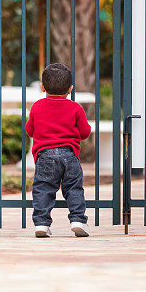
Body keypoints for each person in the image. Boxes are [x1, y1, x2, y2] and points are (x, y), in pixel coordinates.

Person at [25, 63, 91, 238]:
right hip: (69, 154)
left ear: (42, 87)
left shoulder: (37, 106)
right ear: (70, 89)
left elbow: (29, 130)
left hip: (45, 155)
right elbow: (85, 132)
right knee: (74, 188)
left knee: (43, 189)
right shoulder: (76, 108)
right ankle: (78, 220)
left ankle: (41, 223)